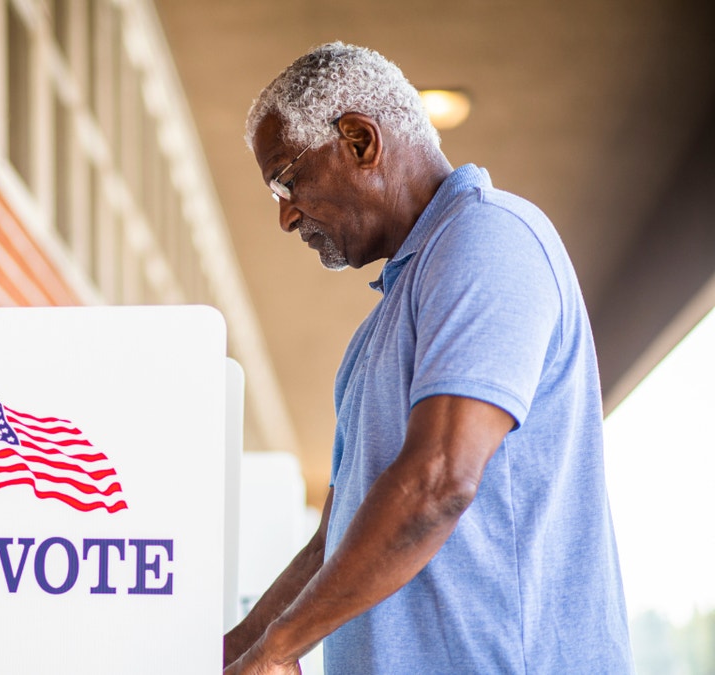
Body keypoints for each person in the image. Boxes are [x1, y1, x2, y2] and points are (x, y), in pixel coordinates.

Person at [224, 42, 633, 674]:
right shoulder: (378, 330)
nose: (286, 215)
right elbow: (332, 543)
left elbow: (440, 480)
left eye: (286, 179)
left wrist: (282, 649)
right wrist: (234, 649)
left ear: (360, 140)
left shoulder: (489, 239)